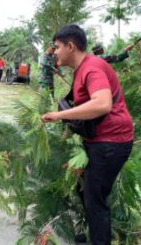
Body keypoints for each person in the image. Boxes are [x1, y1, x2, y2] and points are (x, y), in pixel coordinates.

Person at [41, 24, 134, 245]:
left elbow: (102, 104)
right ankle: (91, 233)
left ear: (70, 46)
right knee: (84, 190)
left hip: (111, 142)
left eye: (57, 47)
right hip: (100, 140)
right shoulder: (83, 68)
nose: (54, 52)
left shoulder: (91, 68)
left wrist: (58, 115)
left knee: (95, 202)